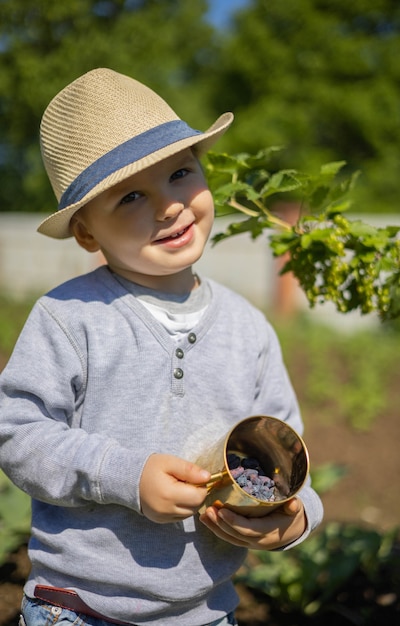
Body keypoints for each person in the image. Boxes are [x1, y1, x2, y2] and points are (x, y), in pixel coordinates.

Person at [0, 68, 323, 626]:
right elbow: (18, 432)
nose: (170, 206)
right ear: (86, 233)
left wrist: (292, 520)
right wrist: (124, 474)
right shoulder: (70, 318)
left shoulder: (249, 329)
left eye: (180, 173)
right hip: (79, 608)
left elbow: (287, 460)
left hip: (204, 612)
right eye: (130, 196)